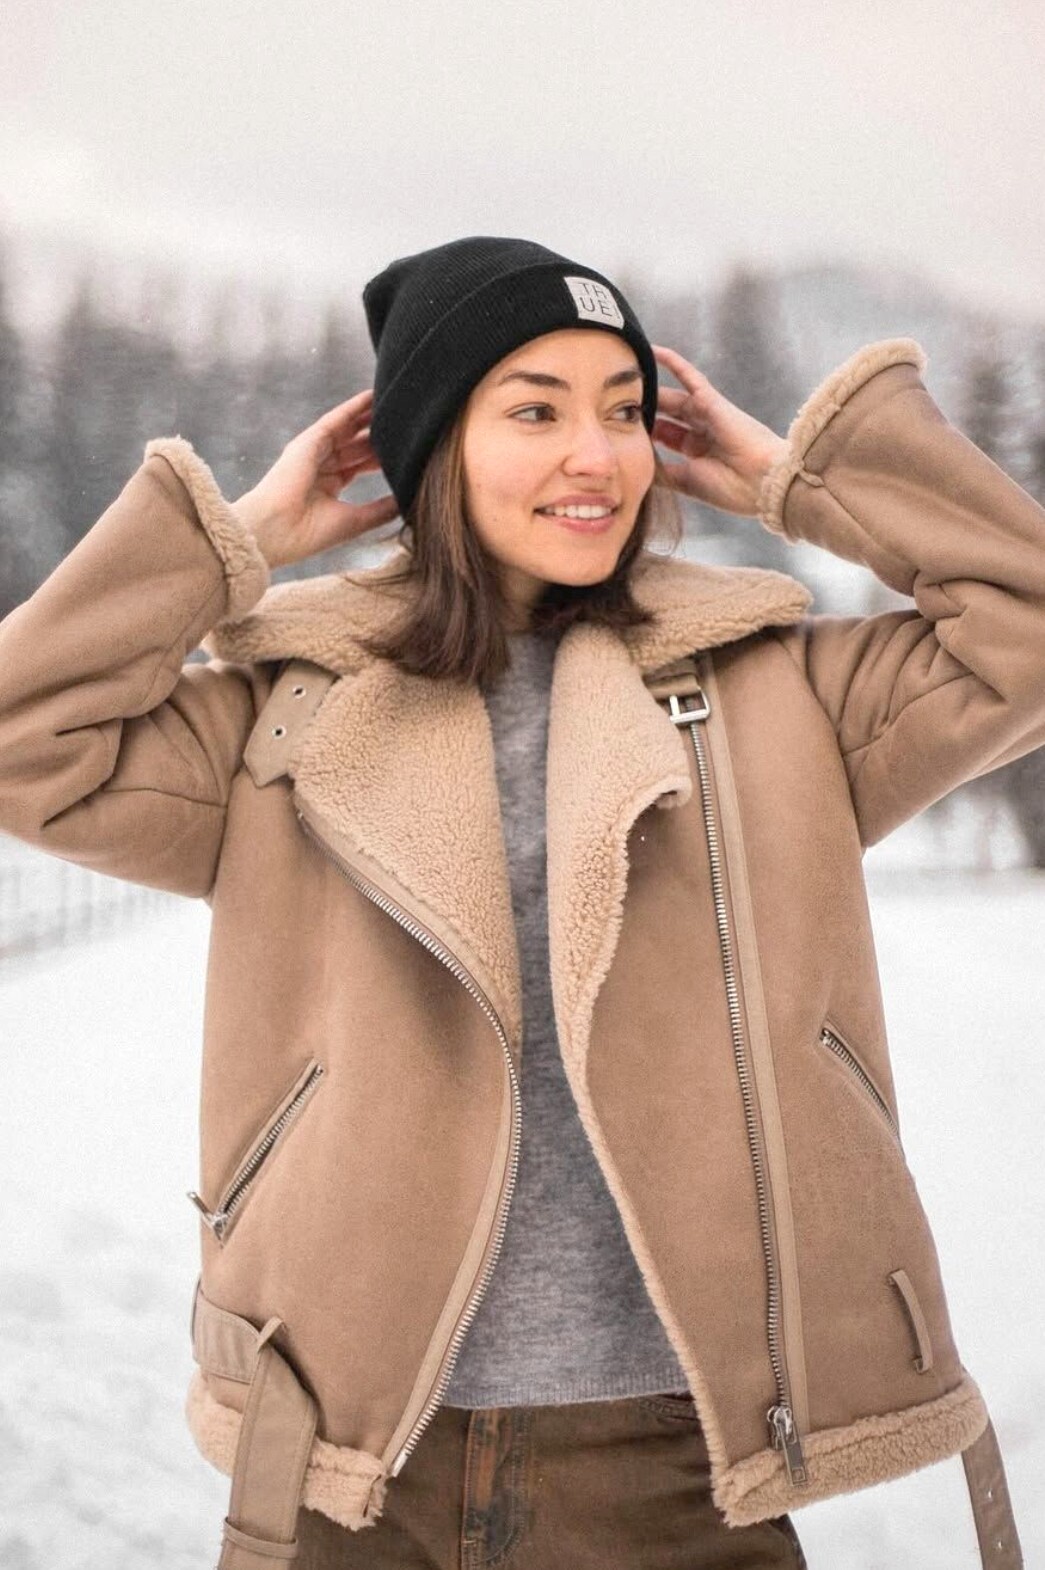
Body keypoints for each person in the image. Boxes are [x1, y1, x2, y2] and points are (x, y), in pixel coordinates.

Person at [0, 235, 1037, 1570]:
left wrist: (799, 485)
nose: (595, 455)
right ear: (432, 445)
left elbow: (1024, 631)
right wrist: (236, 543)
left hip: (678, 1465)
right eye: (534, 411)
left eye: (623, 410)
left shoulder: (776, 692)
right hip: (352, 1464)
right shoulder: (283, 715)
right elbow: (24, 740)